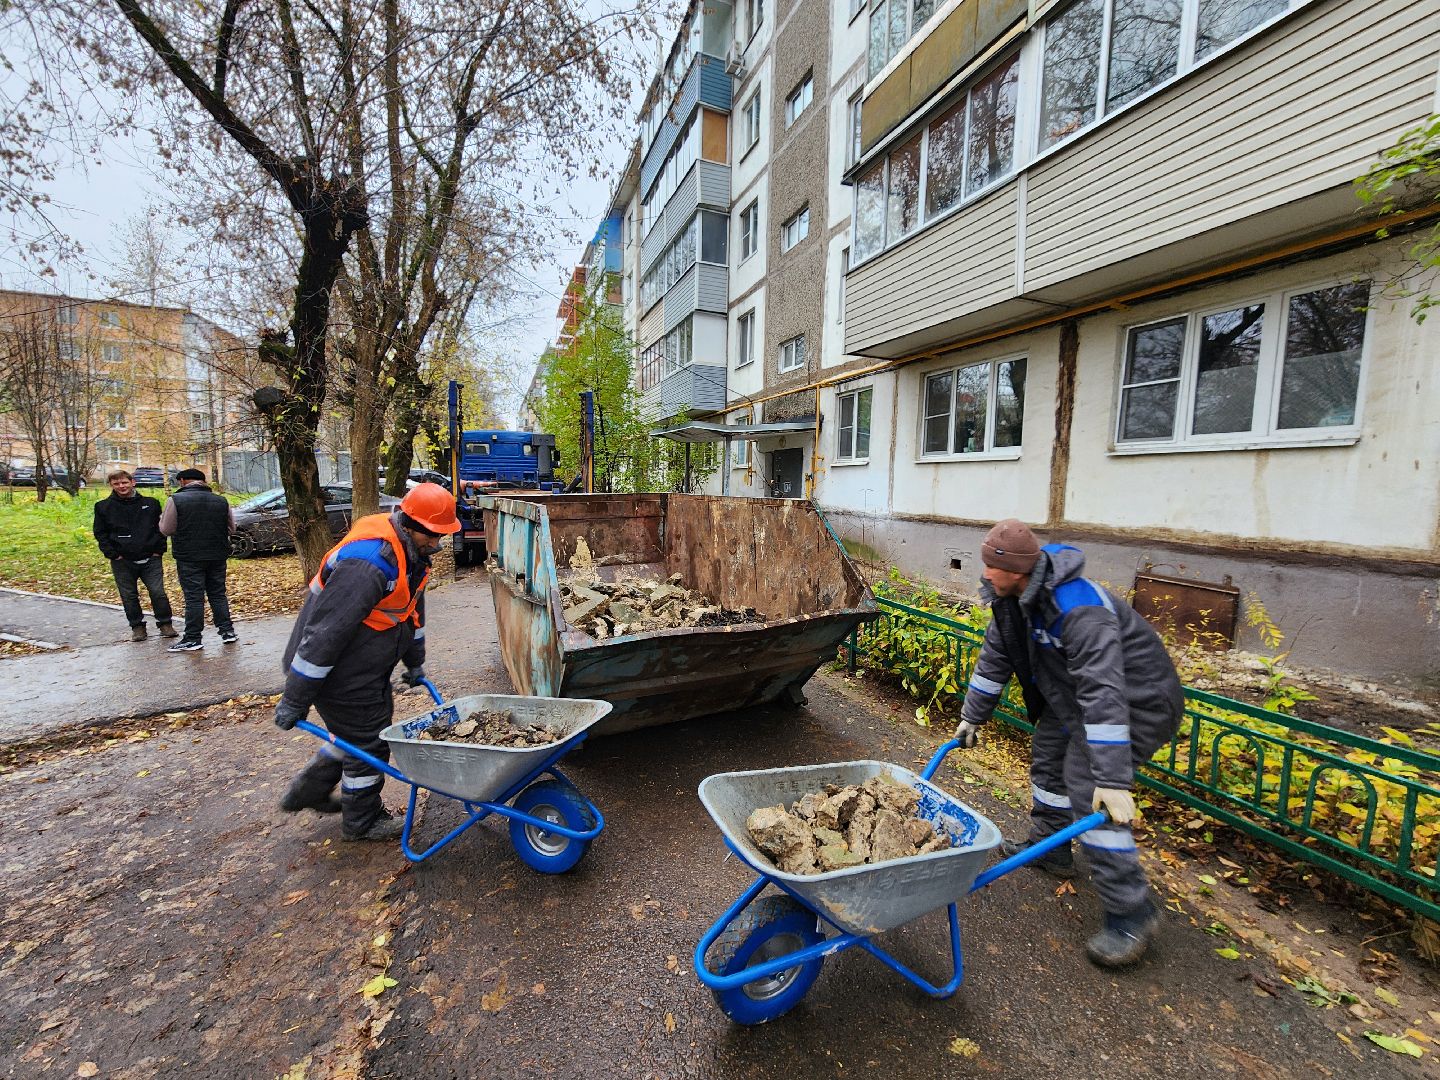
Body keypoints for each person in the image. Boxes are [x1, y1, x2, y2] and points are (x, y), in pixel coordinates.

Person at [953, 519, 1183, 968]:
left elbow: (1105, 690)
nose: (984, 574)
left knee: (1087, 788)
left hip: (1138, 703)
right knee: (1049, 758)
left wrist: (1112, 779)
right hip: (1073, 699)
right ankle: (1052, 846)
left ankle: (1131, 912)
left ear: (1017, 570)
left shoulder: (1079, 607)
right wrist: (972, 717)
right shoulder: (1012, 598)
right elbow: (996, 658)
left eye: (990, 566)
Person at [272, 483, 459, 842]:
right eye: (432, 535)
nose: (436, 543)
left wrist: (414, 662)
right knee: (370, 742)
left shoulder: (410, 556)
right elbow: (325, 634)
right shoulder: (369, 563)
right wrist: (295, 698)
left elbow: (409, 611)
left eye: (441, 535)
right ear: (408, 522)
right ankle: (362, 821)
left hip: (365, 666)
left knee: (358, 734)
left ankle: (310, 788)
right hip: (336, 672)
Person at [92, 469, 178, 641]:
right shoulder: (103, 507)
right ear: (111, 486)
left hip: (150, 558)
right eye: (117, 484)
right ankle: (137, 627)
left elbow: (161, 529)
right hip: (122, 560)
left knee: (158, 592)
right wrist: (113, 554)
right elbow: (101, 533)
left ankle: (165, 624)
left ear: (133, 483)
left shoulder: (151, 503)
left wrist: (158, 551)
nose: (121, 486)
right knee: (129, 596)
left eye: (124, 482)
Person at [159, 467, 237, 652]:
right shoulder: (221, 501)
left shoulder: (175, 500)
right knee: (218, 594)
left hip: (189, 556)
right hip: (217, 555)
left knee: (194, 597)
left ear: (183, 481)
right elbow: (231, 528)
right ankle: (227, 632)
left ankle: (193, 638)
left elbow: (166, 529)